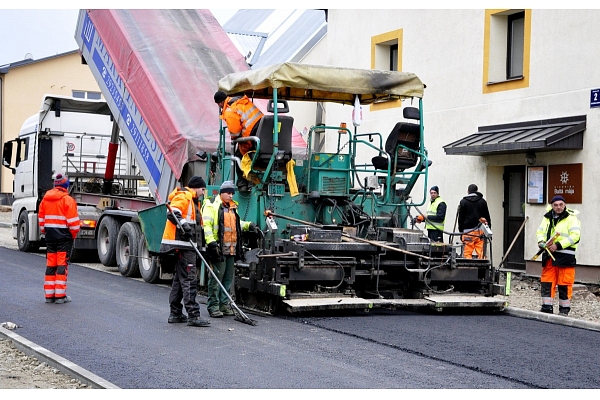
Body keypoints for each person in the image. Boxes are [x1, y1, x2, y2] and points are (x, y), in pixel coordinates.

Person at [160, 176, 210, 327]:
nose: (203, 192)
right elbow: (172, 213)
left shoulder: (194, 201)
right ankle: (193, 315)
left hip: (186, 245)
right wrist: (185, 228)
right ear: (195, 187)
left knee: (179, 280)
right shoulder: (184, 196)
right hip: (182, 244)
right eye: (202, 189)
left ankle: (175, 313)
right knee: (189, 279)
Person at [202, 180, 256, 318]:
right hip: (218, 249)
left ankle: (223, 305)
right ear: (221, 193)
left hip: (231, 250)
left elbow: (235, 226)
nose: (231, 195)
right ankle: (213, 307)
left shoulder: (232, 208)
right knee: (216, 280)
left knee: (227, 279)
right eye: (228, 193)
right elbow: (206, 225)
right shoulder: (212, 205)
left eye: (232, 193)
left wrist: (248, 225)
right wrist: (211, 243)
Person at [38, 172, 80, 304]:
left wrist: (46, 232)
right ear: (66, 186)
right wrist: (72, 236)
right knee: (62, 265)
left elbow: (41, 220)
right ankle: (60, 296)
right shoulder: (68, 200)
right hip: (64, 238)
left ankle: (49, 296)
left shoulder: (45, 199)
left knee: (51, 265)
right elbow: (73, 223)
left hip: (50, 237)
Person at [536, 195, 580, 316]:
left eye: (561, 204)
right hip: (549, 255)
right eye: (555, 205)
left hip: (565, 256)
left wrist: (558, 245)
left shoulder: (571, 218)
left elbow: (575, 236)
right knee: (547, 281)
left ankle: (564, 310)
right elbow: (540, 232)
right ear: (552, 206)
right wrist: (541, 242)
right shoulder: (547, 217)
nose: (558, 207)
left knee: (564, 283)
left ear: (565, 205)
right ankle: (546, 307)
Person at [214, 91, 264, 191]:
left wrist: (234, 139)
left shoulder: (230, 110)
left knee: (237, 155)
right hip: (263, 137)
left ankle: (243, 184)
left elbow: (235, 133)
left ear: (220, 103)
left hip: (252, 139)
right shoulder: (243, 102)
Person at [458, 184, 491, 259]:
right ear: (477, 191)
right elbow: (487, 217)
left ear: (468, 191)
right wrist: (489, 229)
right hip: (480, 232)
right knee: (481, 253)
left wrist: (461, 231)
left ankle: (468, 269)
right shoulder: (482, 201)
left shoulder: (463, 202)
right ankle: (482, 269)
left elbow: (461, 218)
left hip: (467, 232)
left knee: (467, 253)